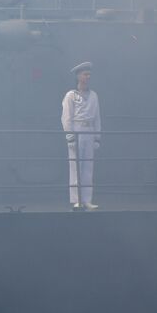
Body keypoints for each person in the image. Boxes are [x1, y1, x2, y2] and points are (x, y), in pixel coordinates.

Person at [62, 62, 101, 211]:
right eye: (85, 74)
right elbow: (66, 117)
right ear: (78, 76)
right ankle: (76, 200)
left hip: (89, 130)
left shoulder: (94, 95)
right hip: (77, 130)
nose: (87, 77)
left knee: (88, 167)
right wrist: (70, 136)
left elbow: (97, 117)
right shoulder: (71, 95)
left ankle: (87, 199)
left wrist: (97, 137)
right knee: (75, 166)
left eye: (89, 74)